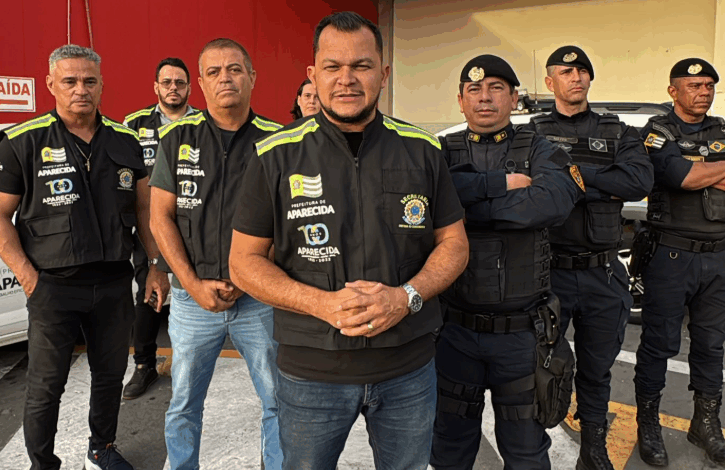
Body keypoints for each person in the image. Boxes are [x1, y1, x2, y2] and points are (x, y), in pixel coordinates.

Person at [228, 12, 469, 470]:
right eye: (333, 66)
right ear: (312, 75)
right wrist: (321, 304)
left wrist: (406, 297)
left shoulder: (423, 149)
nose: (347, 79)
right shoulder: (273, 155)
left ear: (384, 73)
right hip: (310, 375)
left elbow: (454, 243)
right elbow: (243, 262)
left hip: (407, 370)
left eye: (361, 65)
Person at [0, 44, 169, 470]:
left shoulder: (126, 140)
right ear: (51, 84)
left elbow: (145, 210)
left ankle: (102, 448)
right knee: (46, 386)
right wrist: (28, 277)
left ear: (101, 85)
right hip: (53, 287)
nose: (81, 89)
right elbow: (0, 215)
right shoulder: (22, 141)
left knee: (109, 376)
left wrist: (155, 266)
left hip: (113, 283)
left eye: (90, 81)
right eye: (70, 81)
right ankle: (42, 463)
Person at [430, 54, 584, 470]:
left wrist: (461, 208)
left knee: (526, 453)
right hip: (454, 332)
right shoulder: (438, 152)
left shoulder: (542, 149)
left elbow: (550, 203)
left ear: (515, 98)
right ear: (460, 100)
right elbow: (421, 202)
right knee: (448, 452)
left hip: (522, 335)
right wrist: (500, 186)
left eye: (496, 88)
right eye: (474, 90)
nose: (484, 98)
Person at [149, 38, 283, 469]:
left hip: (260, 299)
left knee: (278, 399)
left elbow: (288, 222)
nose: (225, 78)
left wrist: (250, 279)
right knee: (184, 404)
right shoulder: (176, 139)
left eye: (234, 69)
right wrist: (191, 284)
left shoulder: (279, 141)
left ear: (252, 77)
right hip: (192, 301)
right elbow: (160, 218)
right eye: (214, 72)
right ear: (201, 84)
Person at [524, 46, 654, 470]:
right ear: (550, 82)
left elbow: (638, 181)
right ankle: (532, 450)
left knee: (597, 370)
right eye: (566, 72)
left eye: (582, 70)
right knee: (541, 365)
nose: (576, 77)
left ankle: (592, 448)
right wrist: (602, 182)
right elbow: (524, 184)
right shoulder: (531, 132)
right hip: (547, 274)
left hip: (602, 274)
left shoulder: (617, 131)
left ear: (590, 79)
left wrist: (570, 176)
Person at [634, 58, 725, 467]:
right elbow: (679, 178)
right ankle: (648, 424)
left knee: (711, 346)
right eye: (694, 85)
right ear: (673, 91)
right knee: (658, 345)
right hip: (670, 257)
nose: (703, 92)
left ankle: (706, 425)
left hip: (721, 259)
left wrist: (703, 170)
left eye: (708, 85)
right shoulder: (657, 132)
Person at [121, 57, 197, 400]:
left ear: (189, 87)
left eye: (179, 82)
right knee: (149, 291)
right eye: (167, 82)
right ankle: (144, 365)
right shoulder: (134, 124)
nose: (173, 88)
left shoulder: (203, 123)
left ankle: (190, 361)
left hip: (192, 223)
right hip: (150, 224)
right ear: (156, 87)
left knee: (191, 289)